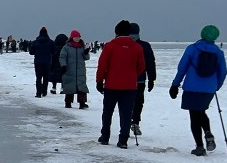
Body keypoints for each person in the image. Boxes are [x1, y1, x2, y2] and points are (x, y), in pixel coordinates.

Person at [170, 25, 227, 156]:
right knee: (201, 111)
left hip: (191, 87)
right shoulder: (218, 52)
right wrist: (215, 86)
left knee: (194, 115)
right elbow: (223, 72)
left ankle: (200, 147)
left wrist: (175, 85)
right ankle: (207, 132)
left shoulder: (192, 49)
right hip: (208, 89)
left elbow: (182, 68)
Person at [95, 20, 146, 149]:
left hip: (112, 85)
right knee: (126, 113)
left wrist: (100, 81)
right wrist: (133, 75)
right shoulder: (137, 47)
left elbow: (102, 65)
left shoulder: (110, 46)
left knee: (107, 112)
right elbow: (141, 66)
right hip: (129, 86)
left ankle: (105, 137)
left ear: (116, 32)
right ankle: (123, 140)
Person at [129, 22, 156, 137]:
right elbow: (151, 63)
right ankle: (135, 122)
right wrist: (151, 79)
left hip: (125, 80)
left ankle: (128, 122)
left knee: (127, 102)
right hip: (140, 80)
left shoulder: (124, 44)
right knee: (138, 102)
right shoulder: (144, 45)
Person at [59, 30, 90, 108]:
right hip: (69, 70)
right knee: (70, 87)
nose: (77, 38)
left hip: (80, 70)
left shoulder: (82, 46)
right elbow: (62, 57)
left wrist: (86, 53)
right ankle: (68, 102)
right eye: (75, 37)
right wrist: (63, 65)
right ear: (72, 37)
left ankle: (82, 103)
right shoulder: (66, 47)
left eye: (78, 37)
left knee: (82, 87)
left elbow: (86, 58)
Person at [29, 27, 54, 97]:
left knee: (38, 78)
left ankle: (38, 93)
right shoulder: (51, 42)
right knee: (46, 78)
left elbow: (31, 52)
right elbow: (53, 51)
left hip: (38, 62)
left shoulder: (35, 42)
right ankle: (44, 92)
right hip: (47, 62)